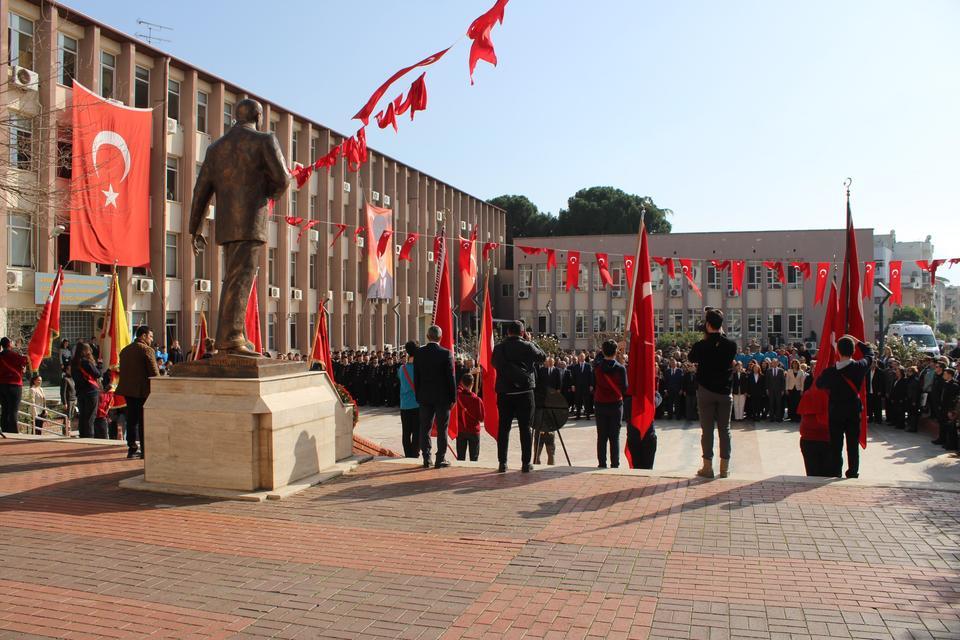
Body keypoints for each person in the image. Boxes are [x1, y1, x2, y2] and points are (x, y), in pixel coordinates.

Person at [188, 98, 290, 355]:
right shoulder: (264, 140)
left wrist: (195, 227)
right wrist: (266, 193)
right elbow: (283, 178)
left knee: (233, 278)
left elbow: (200, 191)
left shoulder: (216, 148)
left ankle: (236, 334)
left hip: (226, 224)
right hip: (250, 220)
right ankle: (231, 337)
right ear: (258, 117)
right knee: (240, 278)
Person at [688, 308, 738, 479]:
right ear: (721, 325)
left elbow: (691, 357)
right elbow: (723, 346)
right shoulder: (731, 345)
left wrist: (707, 338)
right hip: (725, 392)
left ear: (707, 325)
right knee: (725, 430)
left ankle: (707, 467)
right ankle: (724, 468)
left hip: (706, 391)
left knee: (707, 430)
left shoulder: (701, 345)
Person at [815, 335, 874, 478]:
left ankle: (836, 472)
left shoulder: (830, 372)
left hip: (836, 412)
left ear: (838, 352)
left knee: (836, 445)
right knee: (852, 444)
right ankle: (853, 472)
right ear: (853, 351)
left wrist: (834, 348)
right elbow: (870, 354)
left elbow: (819, 384)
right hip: (853, 411)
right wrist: (857, 341)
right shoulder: (859, 367)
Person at [492, 321, 546, 472]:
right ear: (522, 333)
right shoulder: (528, 346)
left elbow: (494, 363)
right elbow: (542, 357)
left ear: (508, 332)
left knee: (504, 428)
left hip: (505, 392)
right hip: (525, 392)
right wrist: (531, 342)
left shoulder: (499, 348)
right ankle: (525, 464)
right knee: (525, 428)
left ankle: (502, 463)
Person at [414, 325, 457, 469]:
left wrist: (418, 395)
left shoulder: (419, 353)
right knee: (442, 429)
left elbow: (416, 377)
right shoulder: (446, 353)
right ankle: (440, 459)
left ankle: (426, 458)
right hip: (442, 397)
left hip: (424, 396)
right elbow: (451, 378)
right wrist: (453, 398)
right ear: (441, 337)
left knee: (424, 428)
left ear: (427, 336)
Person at [115, 326, 161, 459]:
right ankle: (145, 450)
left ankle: (131, 448)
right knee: (143, 421)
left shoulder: (125, 350)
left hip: (128, 391)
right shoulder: (147, 350)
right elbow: (154, 373)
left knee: (131, 420)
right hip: (142, 391)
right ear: (143, 336)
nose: (151, 339)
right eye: (150, 336)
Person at [593, 340, 627, 469]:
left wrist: (615, 346)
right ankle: (615, 464)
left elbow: (598, 357)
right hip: (615, 405)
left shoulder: (597, 366)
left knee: (601, 436)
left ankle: (602, 463)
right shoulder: (620, 368)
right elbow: (624, 388)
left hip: (600, 404)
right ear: (615, 351)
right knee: (614, 437)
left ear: (603, 351)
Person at [533, 357, 562, 465]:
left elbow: (559, 384)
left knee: (550, 447)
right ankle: (536, 460)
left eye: (551, 362)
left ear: (554, 362)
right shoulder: (541, 371)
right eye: (547, 361)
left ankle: (551, 462)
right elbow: (539, 383)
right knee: (538, 445)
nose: (549, 363)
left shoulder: (556, 371)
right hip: (541, 402)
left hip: (552, 399)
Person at [71, 342, 102, 438]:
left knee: (83, 415)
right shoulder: (86, 362)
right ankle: (89, 437)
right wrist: (100, 365)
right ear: (84, 351)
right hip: (91, 391)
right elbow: (97, 374)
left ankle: (83, 435)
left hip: (80, 392)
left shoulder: (73, 363)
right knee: (90, 417)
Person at [397, 341, 420, 458]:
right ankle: (414, 454)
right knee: (417, 432)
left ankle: (408, 455)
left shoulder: (401, 369)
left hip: (404, 405)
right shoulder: (419, 369)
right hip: (417, 404)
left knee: (406, 432)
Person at [0, 338, 27, 434]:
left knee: (5, 409)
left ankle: (4, 431)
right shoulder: (15, 355)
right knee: (13, 410)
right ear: (9, 344)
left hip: (1, 385)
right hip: (14, 385)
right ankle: (14, 432)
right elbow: (24, 366)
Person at [455, 373, 483, 461]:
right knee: (474, 458)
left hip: (461, 430)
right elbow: (481, 418)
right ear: (473, 383)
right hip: (474, 431)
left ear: (462, 383)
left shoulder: (457, 396)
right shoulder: (477, 400)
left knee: (460, 458)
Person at [939, 369, 959, 451]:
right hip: (943, 407)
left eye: (945, 374)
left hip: (949, 409)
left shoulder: (954, 385)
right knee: (943, 424)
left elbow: (953, 399)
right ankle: (943, 440)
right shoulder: (946, 383)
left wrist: (950, 410)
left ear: (950, 375)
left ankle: (951, 445)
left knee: (951, 427)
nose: (943, 375)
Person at [569, 353, 594, 420]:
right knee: (578, 401)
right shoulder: (576, 367)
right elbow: (573, 377)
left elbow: (591, 376)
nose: (581, 358)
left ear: (584, 357)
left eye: (582, 356)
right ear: (579, 358)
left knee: (587, 401)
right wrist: (573, 385)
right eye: (580, 356)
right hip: (578, 387)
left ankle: (588, 415)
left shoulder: (588, 366)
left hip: (586, 386)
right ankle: (578, 415)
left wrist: (591, 385)